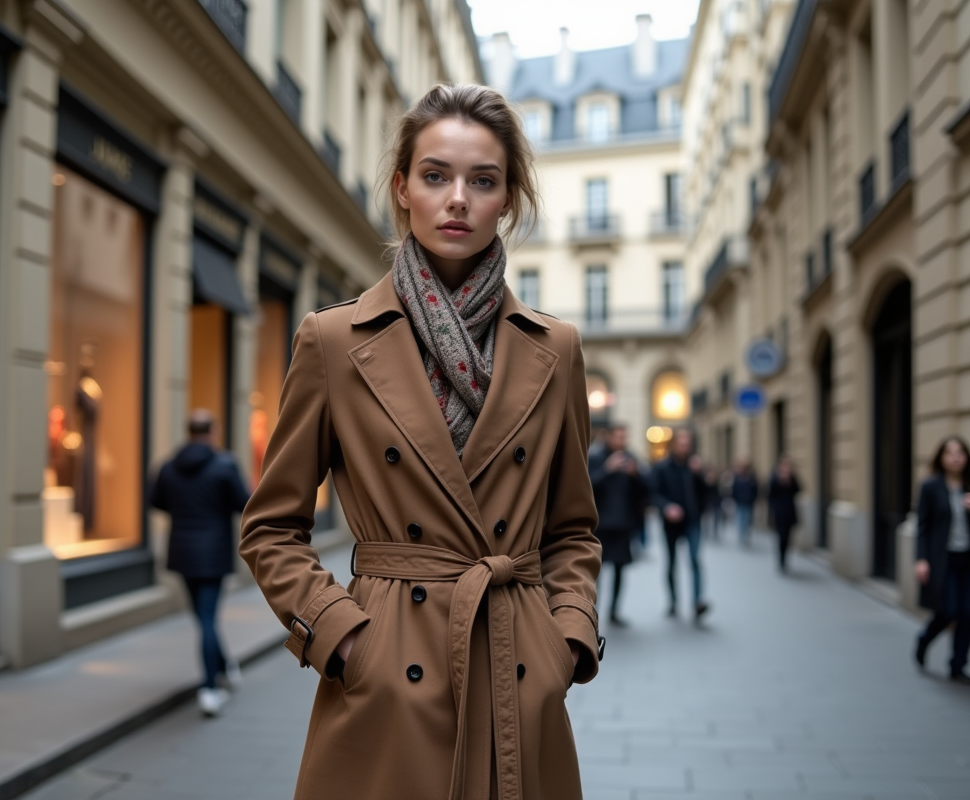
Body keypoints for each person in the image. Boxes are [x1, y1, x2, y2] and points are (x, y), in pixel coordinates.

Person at [239, 84, 603, 799]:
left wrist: (564, 639)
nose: (457, 199)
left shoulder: (555, 349)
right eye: (436, 176)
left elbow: (572, 529)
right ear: (403, 189)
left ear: (508, 199)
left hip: (515, 671)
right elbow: (271, 527)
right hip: (386, 679)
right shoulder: (333, 340)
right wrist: (343, 638)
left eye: (483, 181)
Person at [150, 410, 252, 716]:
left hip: (182, 551)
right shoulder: (225, 464)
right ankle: (210, 688)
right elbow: (244, 503)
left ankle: (223, 665)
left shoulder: (168, 466)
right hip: (213, 552)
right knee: (207, 617)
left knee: (202, 616)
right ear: (213, 431)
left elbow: (156, 501)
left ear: (189, 431)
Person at [914, 436, 970, 686]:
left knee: (967, 612)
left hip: (969, 559)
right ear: (942, 458)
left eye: (960, 453)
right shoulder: (930, 487)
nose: (956, 457)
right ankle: (924, 639)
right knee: (948, 610)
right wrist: (921, 559)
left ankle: (958, 666)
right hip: (942, 559)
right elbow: (922, 526)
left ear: (966, 458)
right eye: (950, 453)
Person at [589, 424, 648, 626]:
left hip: (623, 524)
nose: (621, 441)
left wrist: (636, 475)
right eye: (618, 436)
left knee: (620, 570)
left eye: (624, 437)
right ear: (608, 437)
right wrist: (607, 470)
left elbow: (645, 490)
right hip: (601, 525)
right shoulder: (596, 458)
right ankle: (592, 611)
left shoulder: (630, 459)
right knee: (596, 572)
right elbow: (586, 487)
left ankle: (614, 611)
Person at [650, 428, 710, 620]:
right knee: (671, 563)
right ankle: (673, 601)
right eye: (681, 443)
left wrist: (699, 475)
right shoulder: (662, 467)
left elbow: (707, 492)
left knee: (695, 560)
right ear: (673, 445)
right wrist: (667, 507)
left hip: (692, 521)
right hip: (671, 524)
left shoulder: (694, 466)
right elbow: (653, 494)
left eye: (688, 443)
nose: (685, 447)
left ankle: (697, 602)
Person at [767, 454, 801, 573]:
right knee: (781, 537)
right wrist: (780, 481)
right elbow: (770, 494)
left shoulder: (792, 478)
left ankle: (785, 558)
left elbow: (798, 490)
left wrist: (790, 481)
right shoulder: (774, 477)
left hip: (790, 512)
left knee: (788, 537)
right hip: (779, 512)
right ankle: (781, 560)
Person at [731, 458, 759, 547]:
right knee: (740, 519)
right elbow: (734, 489)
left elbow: (755, 490)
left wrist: (753, 499)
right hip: (740, 501)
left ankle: (746, 535)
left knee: (747, 519)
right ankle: (742, 535)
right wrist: (735, 498)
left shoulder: (751, 478)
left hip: (748, 502)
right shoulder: (737, 477)